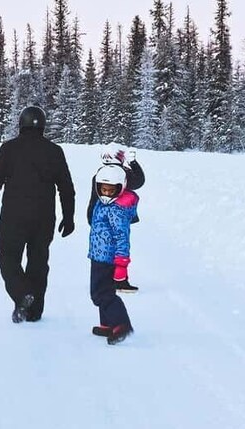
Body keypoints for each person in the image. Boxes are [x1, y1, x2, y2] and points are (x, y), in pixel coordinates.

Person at [0, 106, 75, 323]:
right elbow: (66, 188)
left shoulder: (9, 149)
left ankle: (22, 294)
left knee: (7, 258)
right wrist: (69, 217)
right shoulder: (54, 151)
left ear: (21, 124)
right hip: (44, 219)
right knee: (38, 263)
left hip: (14, 218)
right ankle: (34, 311)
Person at [86, 143, 145, 293]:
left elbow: (93, 199)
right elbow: (139, 181)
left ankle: (114, 279)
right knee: (119, 245)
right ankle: (118, 278)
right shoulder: (121, 173)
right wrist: (133, 163)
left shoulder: (105, 174)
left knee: (112, 247)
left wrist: (91, 217)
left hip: (108, 217)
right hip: (118, 216)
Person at [88, 164, 136, 345]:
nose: (106, 193)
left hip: (108, 257)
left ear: (120, 189)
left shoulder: (116, 210)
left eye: (110, 190)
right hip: (98, 255)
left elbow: (122, 236)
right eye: (103, 189)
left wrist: (122, 263)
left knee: (101, 293)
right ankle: (108, 324)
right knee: (101, 290)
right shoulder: (101, 203)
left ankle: (121, 323)